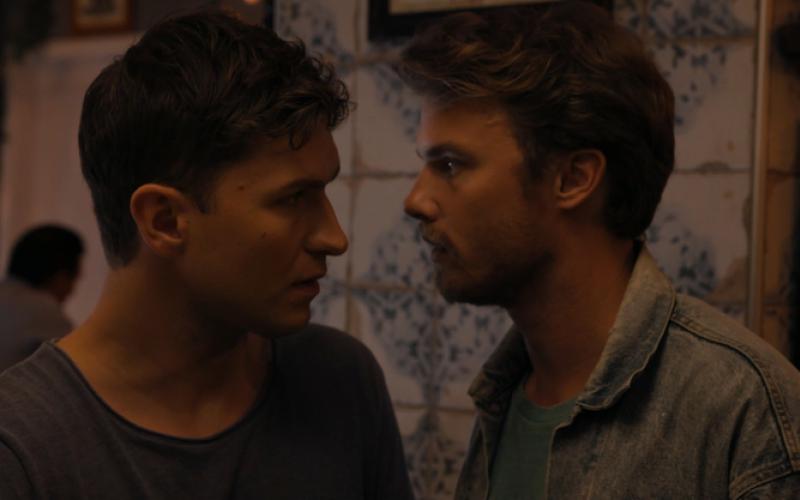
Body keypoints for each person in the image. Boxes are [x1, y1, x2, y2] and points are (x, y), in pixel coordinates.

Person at [0, 11, 412, 500]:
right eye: (293, 199)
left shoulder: (340, 380)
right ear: (164, 220)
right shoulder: (21, 449)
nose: (334, 238)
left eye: (323, 192)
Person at [399, 1, 800, 498]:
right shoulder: (504, 393)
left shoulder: (743, 408)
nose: (415, 201)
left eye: (450, 164)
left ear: (573, 178)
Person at [0, 224, 84, 371]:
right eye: (74, 279)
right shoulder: (44, 312)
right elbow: (78, 372)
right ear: (61, 276)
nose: (72, 291)